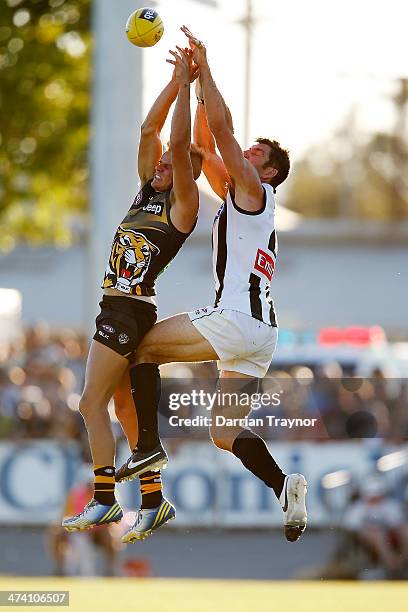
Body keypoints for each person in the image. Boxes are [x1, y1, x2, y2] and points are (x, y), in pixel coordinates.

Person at [116, 27, 307, 544]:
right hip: (260, 336)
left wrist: (210, 69)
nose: (243, 155)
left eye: (253, 153)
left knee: (138, 351)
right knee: (223, 433)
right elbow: (203, 144)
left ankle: (147, 446)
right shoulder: (243, 197)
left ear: (267, 171)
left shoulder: (253, 188)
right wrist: (195, 83)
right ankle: (284, 485)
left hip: (235, 319)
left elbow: (218, 134)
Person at [62, 48, 203, 533]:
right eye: (160, 163)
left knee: (88, 403)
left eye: (170, 163)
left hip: (128, 311)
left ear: (188, 175)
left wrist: (189, 89)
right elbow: (150, 132)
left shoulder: (183, 206)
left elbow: (181, 149)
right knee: (121, 407)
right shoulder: (147, 191)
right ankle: (154, 499)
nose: (161, 163)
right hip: (116, 307)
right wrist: (174, 82)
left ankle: (104, 498)